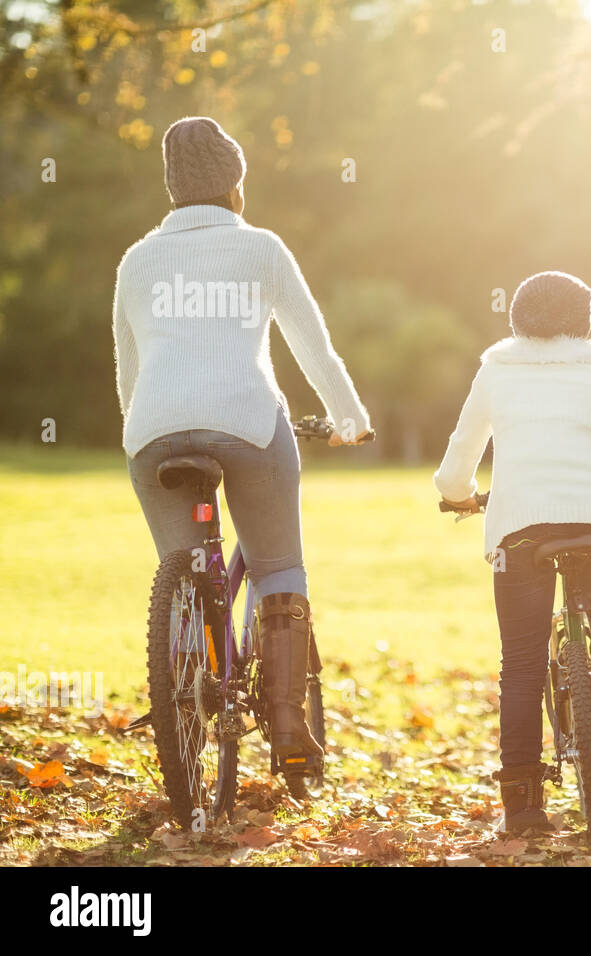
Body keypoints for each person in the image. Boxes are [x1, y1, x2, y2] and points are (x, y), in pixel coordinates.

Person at [113, 116, 373, 772]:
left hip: (152, 432)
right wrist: (350, 419)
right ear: (235, 184)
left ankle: (183, 695)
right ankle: (285, 717)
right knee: (277, 563)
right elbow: (313, 347)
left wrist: (146, 431)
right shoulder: (261, 248)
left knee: (184, 568)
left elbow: (128, 373)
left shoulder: (139, 261)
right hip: (248, 425)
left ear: (171, 189)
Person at [435, 270, 591, 832]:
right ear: (584, 320)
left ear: (516, 318)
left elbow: (457, 464)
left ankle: (523, 804)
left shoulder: (495, 374)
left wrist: (461, 498)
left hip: (518, 530)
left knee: (521, 665)